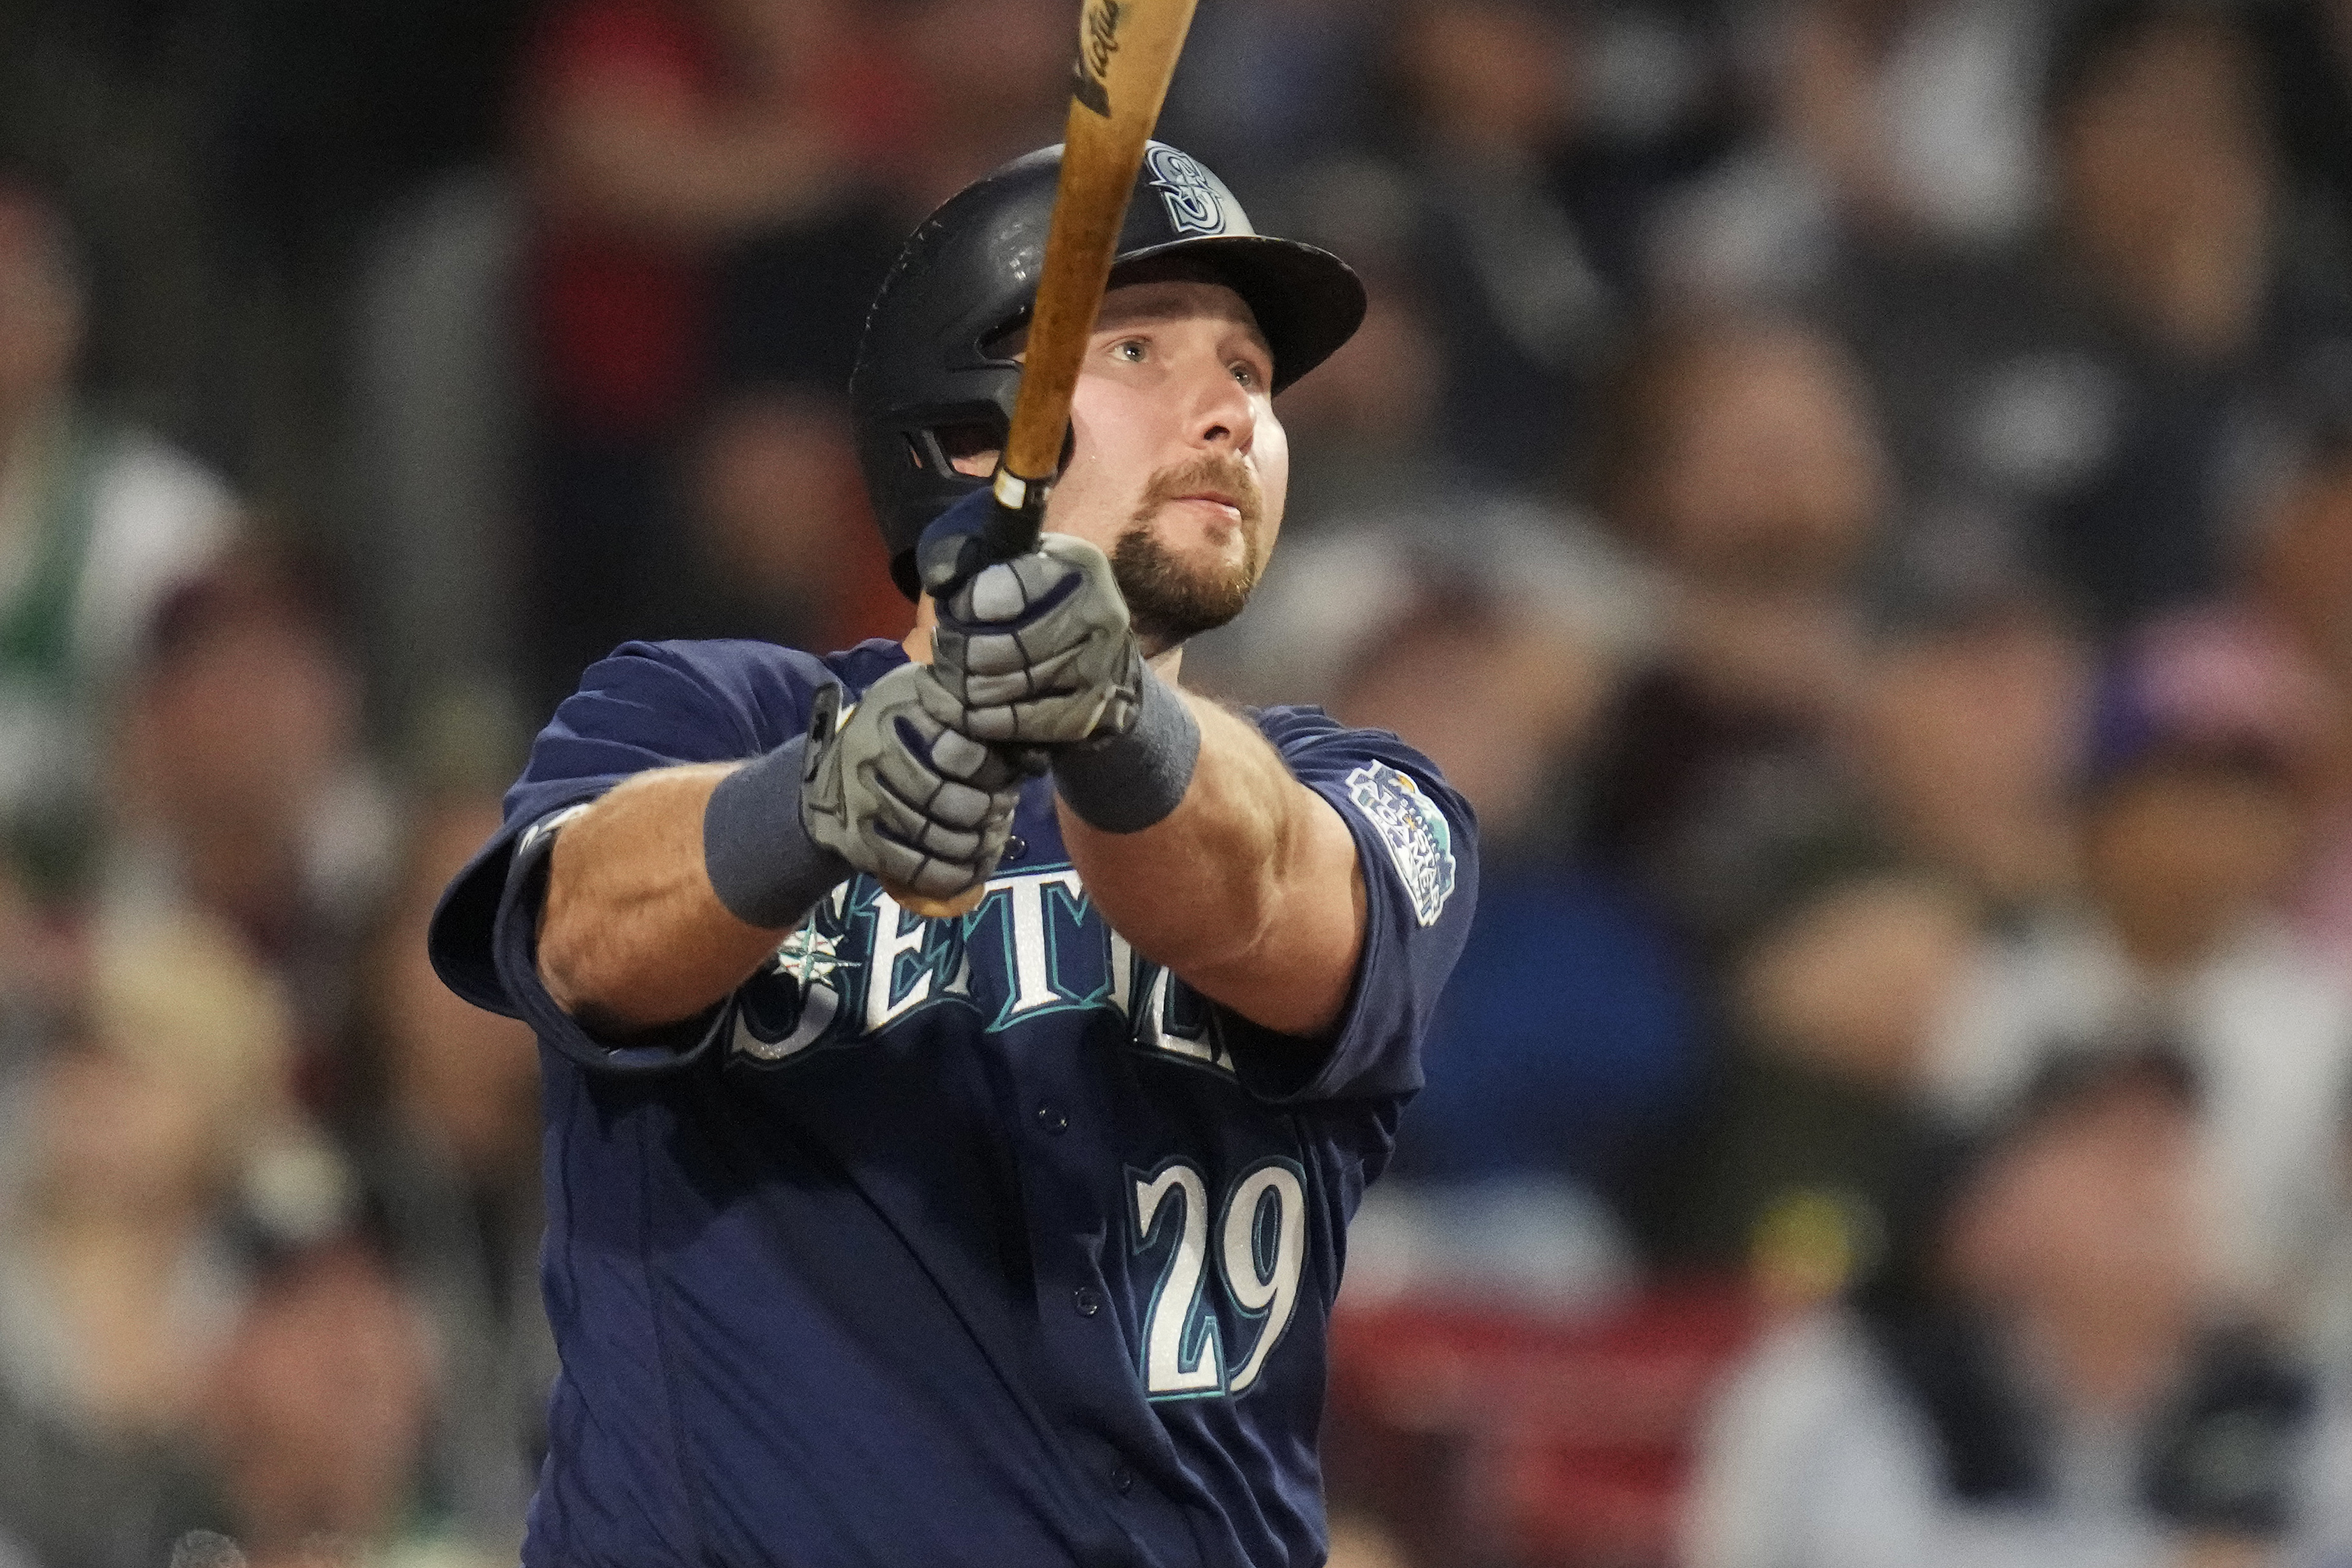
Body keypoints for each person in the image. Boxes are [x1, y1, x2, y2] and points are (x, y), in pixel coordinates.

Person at [429, 143, 1478, 1566]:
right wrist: (816, 795)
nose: (1230, 409)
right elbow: (579, 937)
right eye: (1141, 349)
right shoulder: (700, 712)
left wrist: (1111, 715)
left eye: (1247, 371)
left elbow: (1257, 897)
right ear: (970, 431)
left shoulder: (1360, 790)